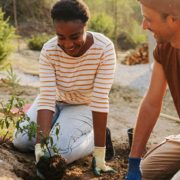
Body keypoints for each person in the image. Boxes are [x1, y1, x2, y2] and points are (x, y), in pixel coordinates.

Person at [13, 0, 116, 177]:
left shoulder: (104, 49)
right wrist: (40, 144)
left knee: (56, 153)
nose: (67, 44)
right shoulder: (49, 50)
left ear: (85, 26)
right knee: (21, 141)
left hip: (82, 106)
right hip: (53, 100)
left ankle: (94, 139)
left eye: (75, 36)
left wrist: (99, 153)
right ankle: (54, 134)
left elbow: (99, 100)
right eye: (61, 36)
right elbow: (46, 97)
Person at [126, 0, 180, 179]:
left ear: (173, 19)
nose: (143, 26)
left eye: (148, 19)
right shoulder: (164, 48)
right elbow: (151, 102)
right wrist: (134, 160)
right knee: (144, 173)